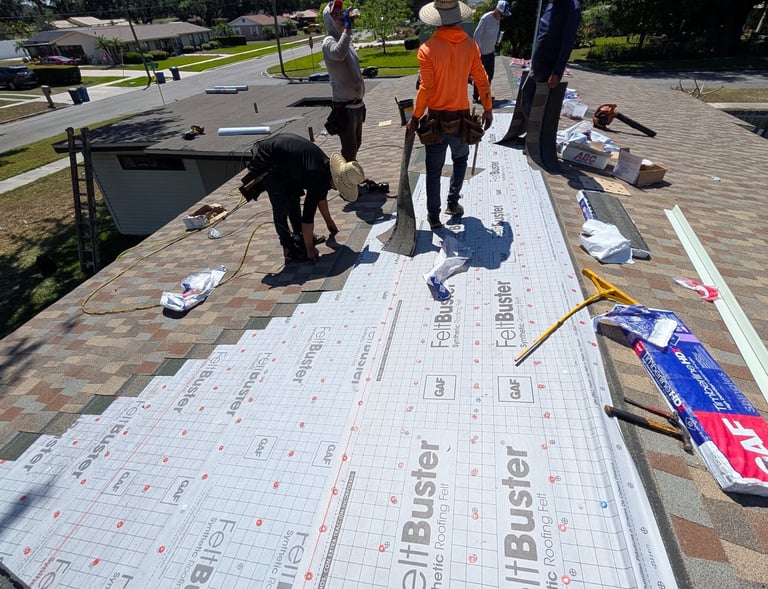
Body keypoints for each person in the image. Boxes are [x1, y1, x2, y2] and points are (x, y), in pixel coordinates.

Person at [405, 0, 493, 230]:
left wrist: (415, 117)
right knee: (460, 159)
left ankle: (433, 217)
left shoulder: (427, 49)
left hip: (435, 119)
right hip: (461, 118)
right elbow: (481, 80)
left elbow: (426, 88)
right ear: (457, 17)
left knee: (433, 171)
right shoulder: (470, 45)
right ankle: (453, 203)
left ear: (436, 18)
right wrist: (488, 108)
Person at [244, 133, 365, 264]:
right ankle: (289, 250)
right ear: (336, 180)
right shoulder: (316, 177)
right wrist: (310, 250)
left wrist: (329, 222)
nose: (337, 190)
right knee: (281, 206)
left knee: (294, 197)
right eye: (340, 187)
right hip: (268, 159)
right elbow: (308, 217)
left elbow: (321, 199)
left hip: (286, 162)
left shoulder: (325, 170)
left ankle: (300, 237)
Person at [509, 0, 582, 140]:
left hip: (549, 66)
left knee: (539, 104)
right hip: (538, 64)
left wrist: (557, 72)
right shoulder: (551, 4)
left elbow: (567, 42)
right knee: (527, 96)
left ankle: (537, 137)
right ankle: (533, 134)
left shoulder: (570, 7)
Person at [322, 0, 366, 163]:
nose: (341, 16)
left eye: (341, 13)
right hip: (345, 107)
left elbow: (346, 65)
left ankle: (348, 176)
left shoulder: (345, 40)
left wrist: (363, 71)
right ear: (329, 20)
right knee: (349, 149)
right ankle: (345, 181)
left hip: (357, 105)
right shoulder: (329, 41)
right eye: (336, 14)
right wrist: (348, 28)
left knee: (356, 144)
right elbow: (338, 54)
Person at [472, 0, 512, 104]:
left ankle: (485, 95)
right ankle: (475, 96)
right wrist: (478, 51)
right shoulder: (486, 18)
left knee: (490, 75)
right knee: (480, 76)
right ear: (497, 11)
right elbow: (476, 35)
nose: (502, 18)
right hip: (482, 53)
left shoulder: (497, 20)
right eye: (502, 15)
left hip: (491, 52)